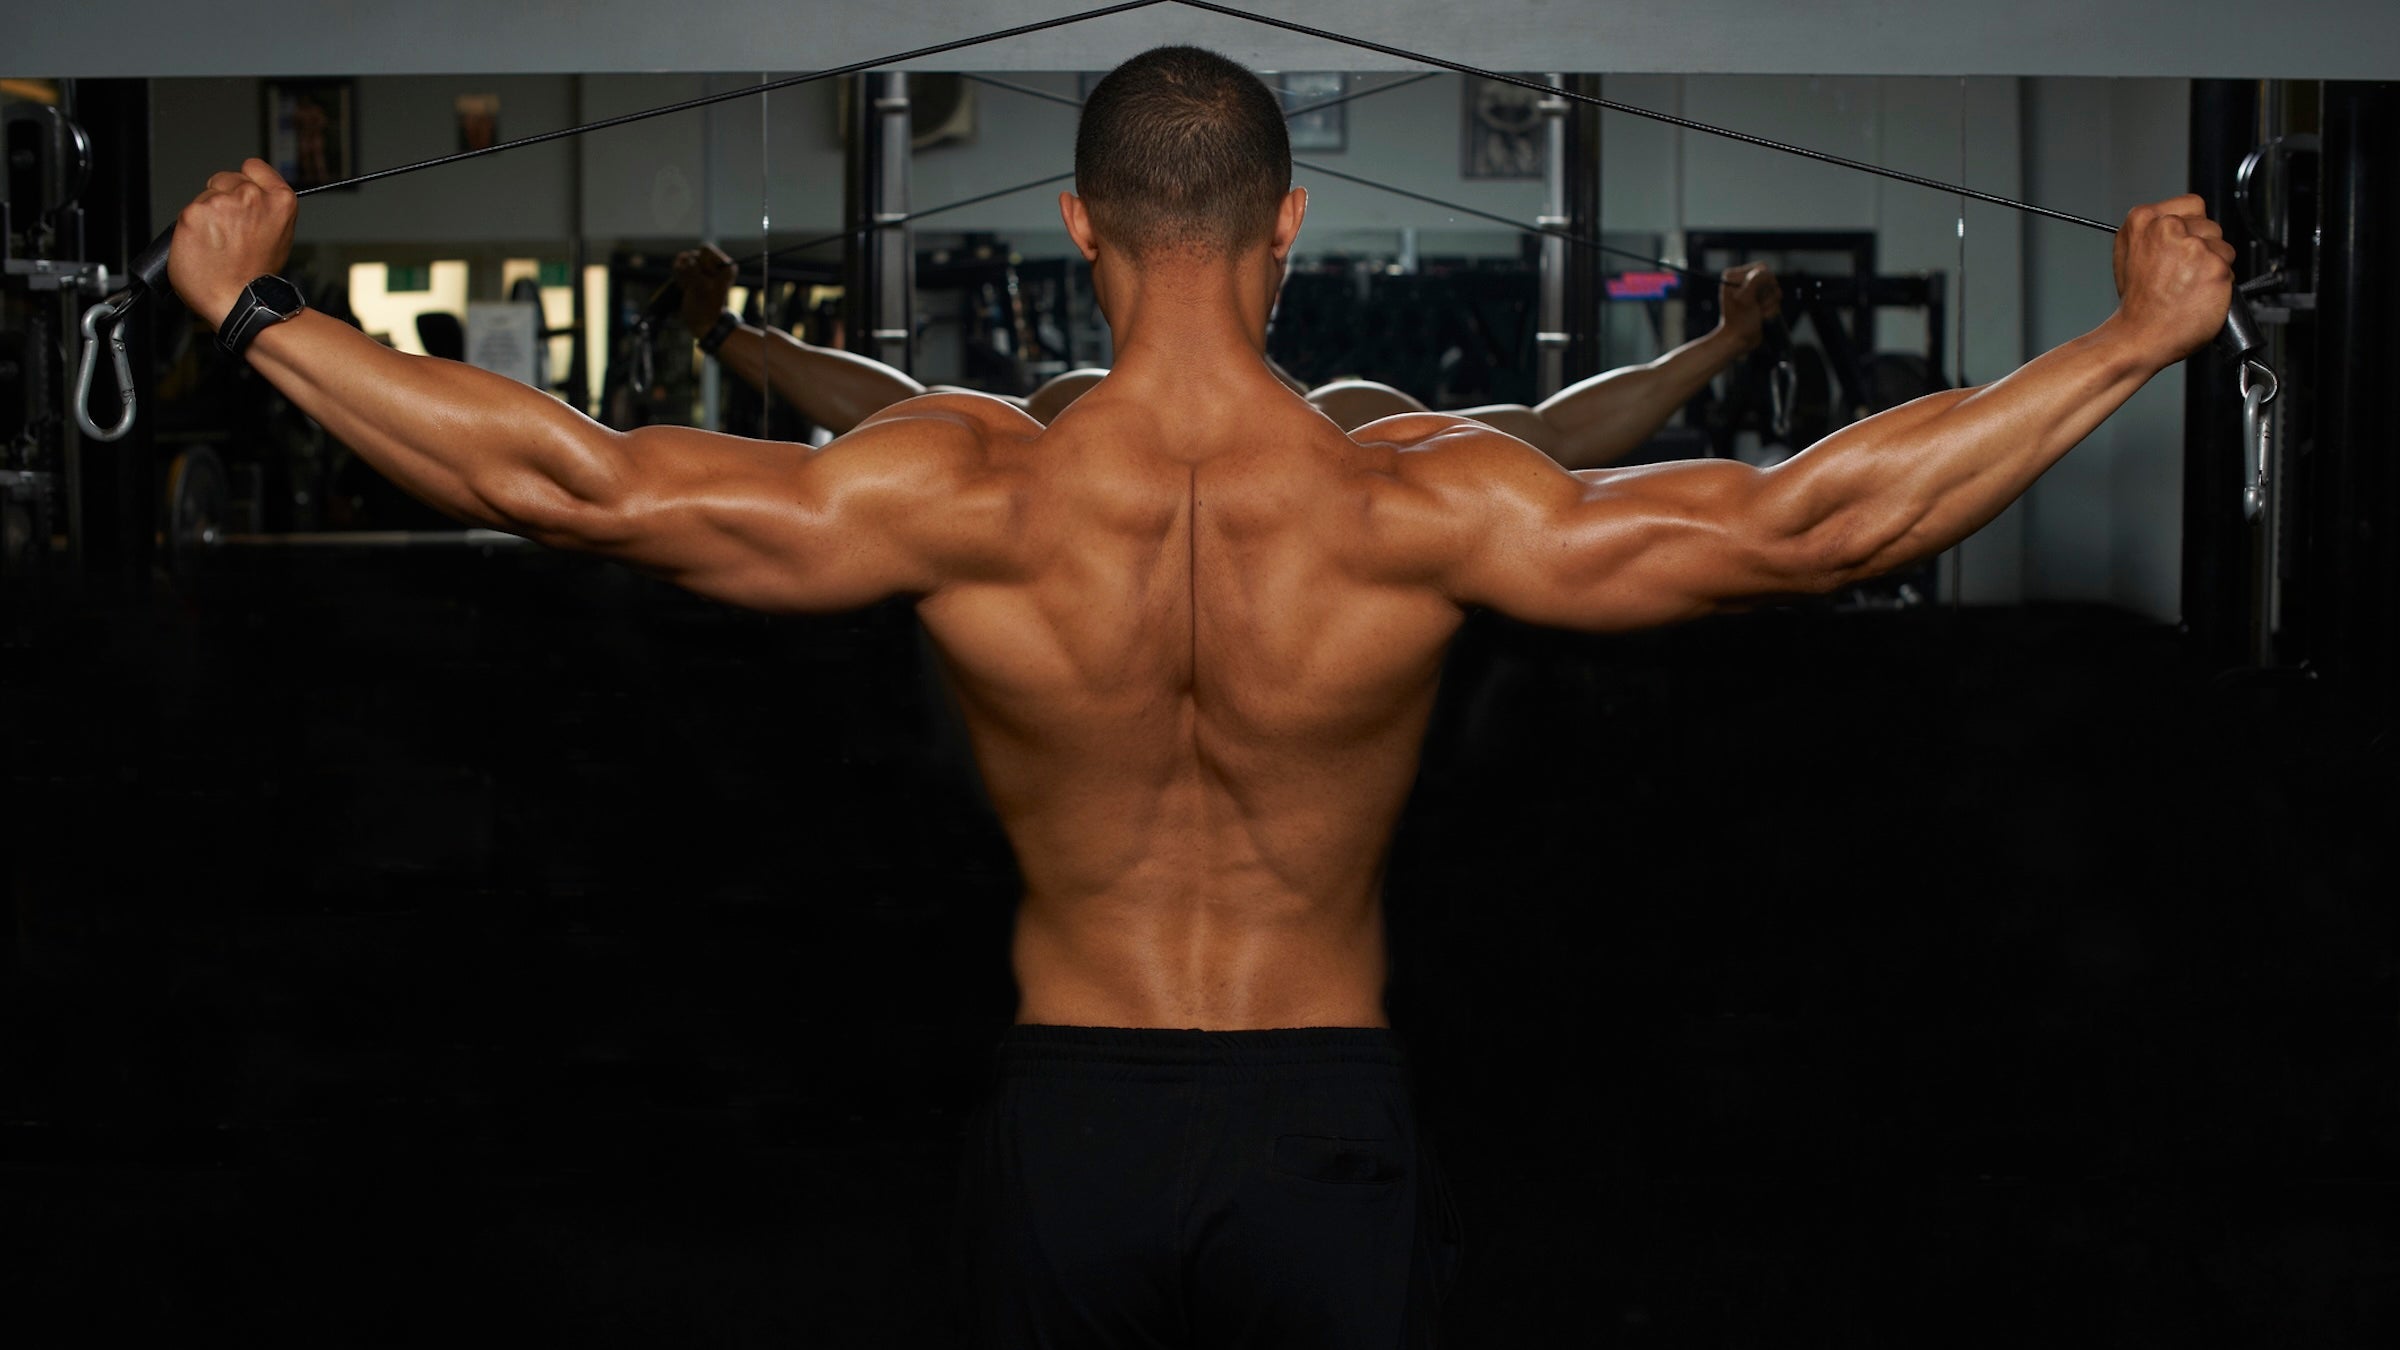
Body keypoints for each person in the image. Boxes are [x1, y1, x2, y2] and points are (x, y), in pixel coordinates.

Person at [166, 44, 2232, 1348]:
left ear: (1078, 230)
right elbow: (1811, 525)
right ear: (1288, 227)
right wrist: (2134, 342)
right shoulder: (1406, 500)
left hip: (1070, 1119)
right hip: (1326, 1116)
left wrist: (252, 311)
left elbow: (577, 484)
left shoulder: (970, 483)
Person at [674, 241, 1782, 469]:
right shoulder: (1077, 408)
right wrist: (722, 332)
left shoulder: (1342, 420)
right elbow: (894, 410)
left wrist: (1725, 343)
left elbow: (1556, 435)